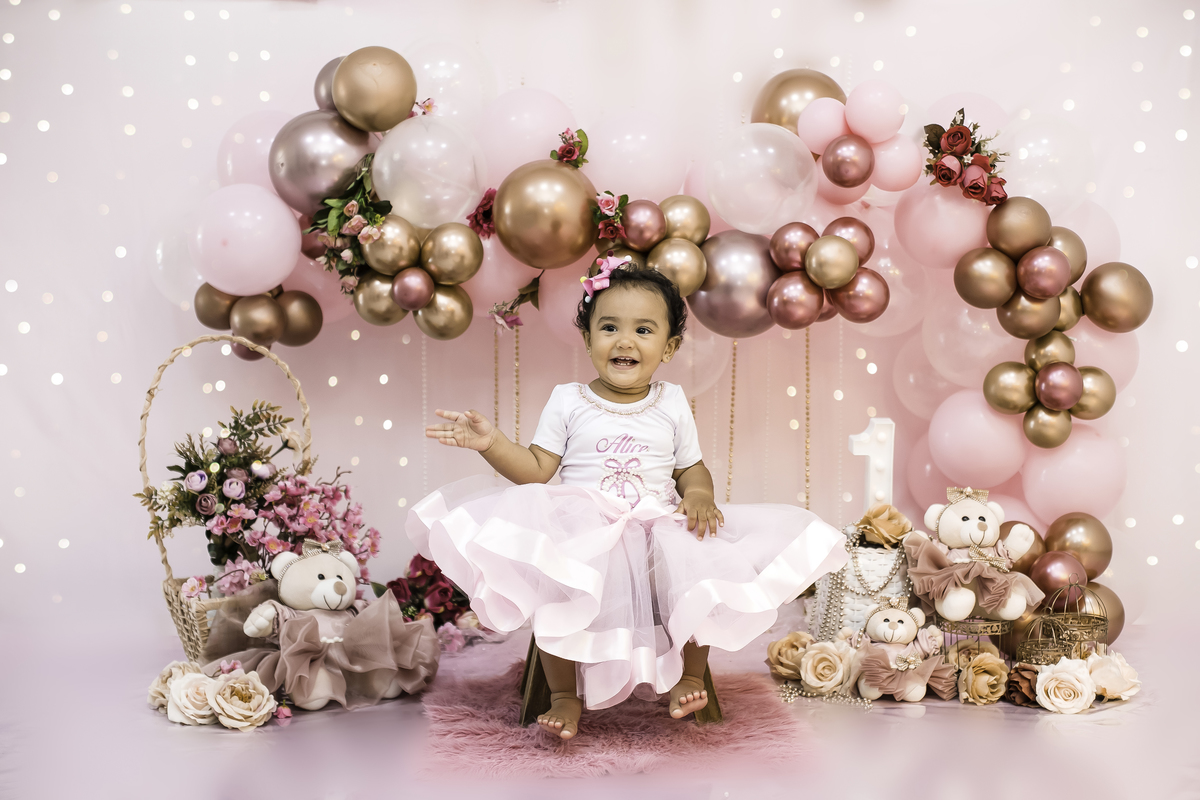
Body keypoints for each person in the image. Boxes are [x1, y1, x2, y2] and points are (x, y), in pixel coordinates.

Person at [407, 255, 847, 740]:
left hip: (656, 526)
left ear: (669, 346)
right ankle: (564, 695)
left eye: (643, 330)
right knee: (558, 592)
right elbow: (535, 469)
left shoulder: (671, 402)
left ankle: (689, 676)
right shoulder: (568, 400)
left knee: (697, 573)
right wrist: (491, 443)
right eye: (609, 327)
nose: (624, 340)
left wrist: (699, 494)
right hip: (588, 528)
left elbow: (689, 467)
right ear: (588, 338)